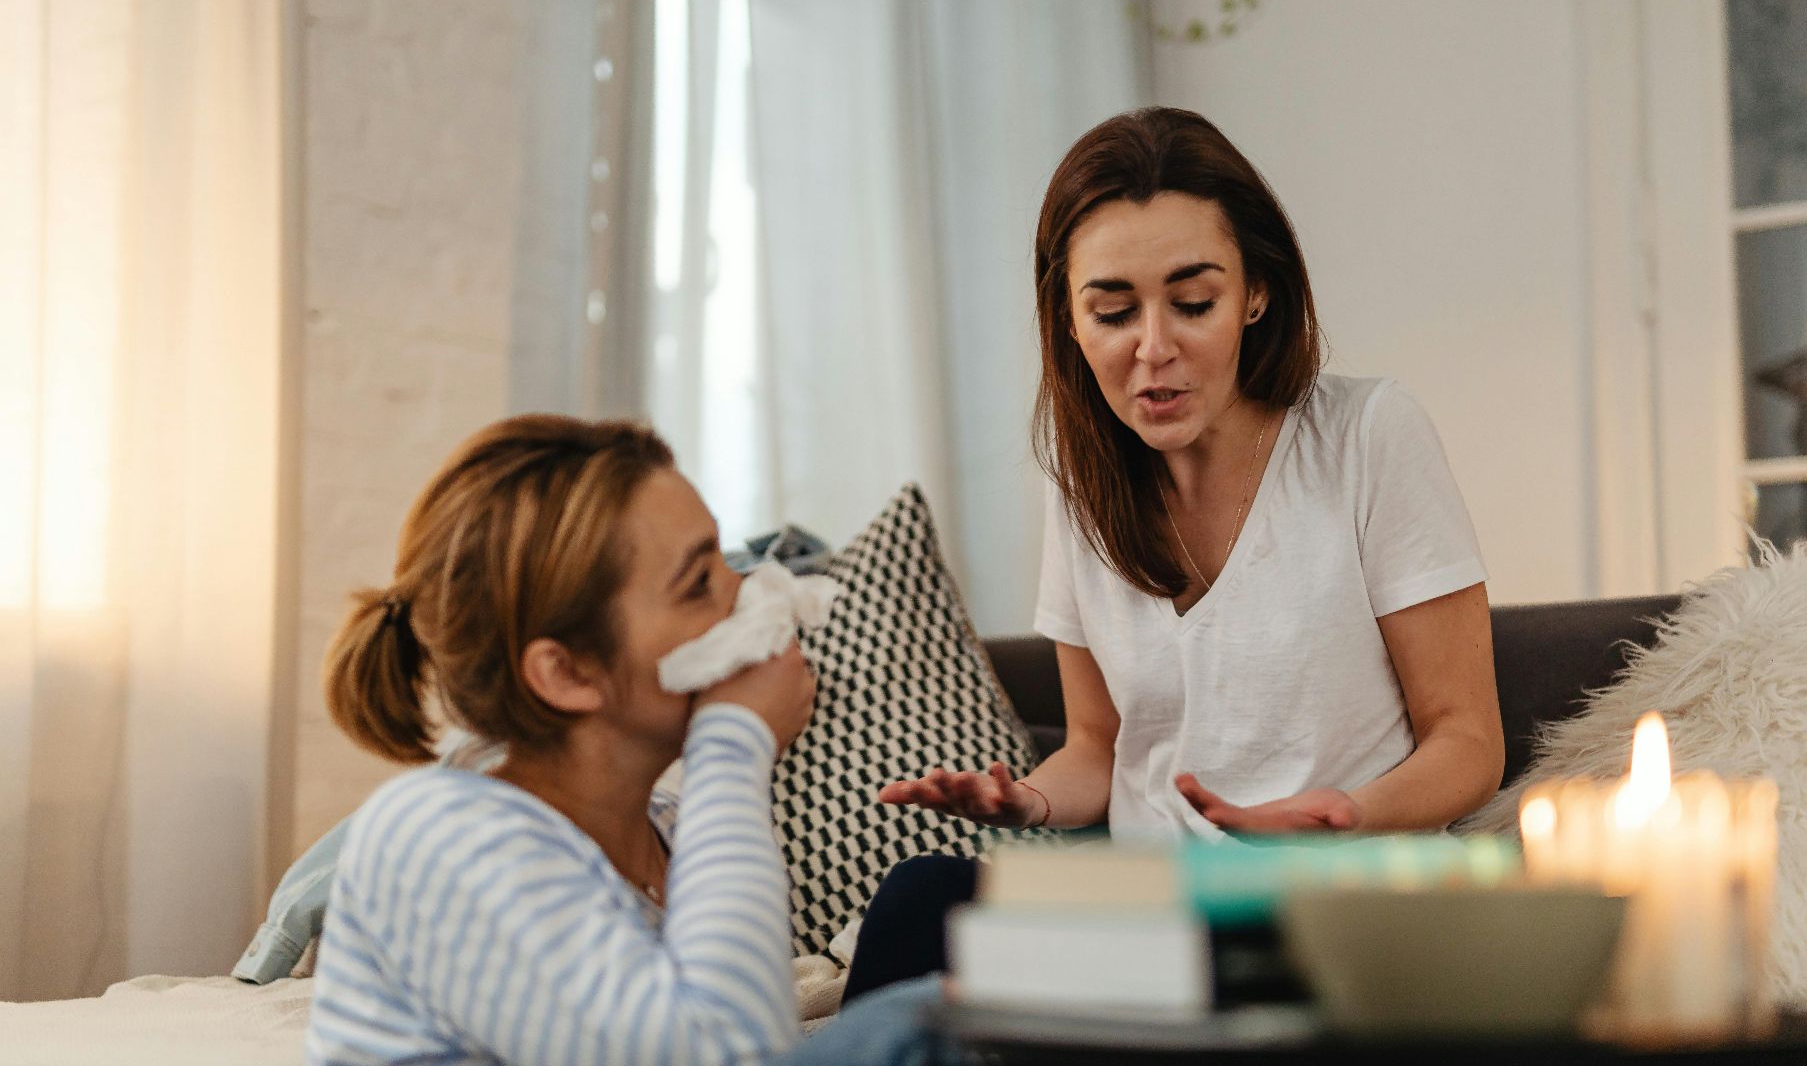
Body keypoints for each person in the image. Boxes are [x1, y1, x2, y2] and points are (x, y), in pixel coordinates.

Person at [849, 107, 1503, 1000]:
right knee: (923, 897)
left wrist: (1349, 816)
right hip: (1147, 912)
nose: (1153, 351)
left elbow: (1467, 740)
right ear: (1070, 323)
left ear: (1255, 295)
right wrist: (1030, 803)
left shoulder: (1368, 437)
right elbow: (1098, 746)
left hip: (1323, 908)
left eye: (1193, 303)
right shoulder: (1082, 489)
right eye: (1113, 311)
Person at [306, 416, 948, 1066]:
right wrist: (734, 742)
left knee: (931, 900)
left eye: (726, 562)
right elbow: (724, 1051)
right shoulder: (437, 836)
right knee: (919, 1025)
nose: (747, 593)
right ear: (567, 673)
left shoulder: (665, 830)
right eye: (698, 583)